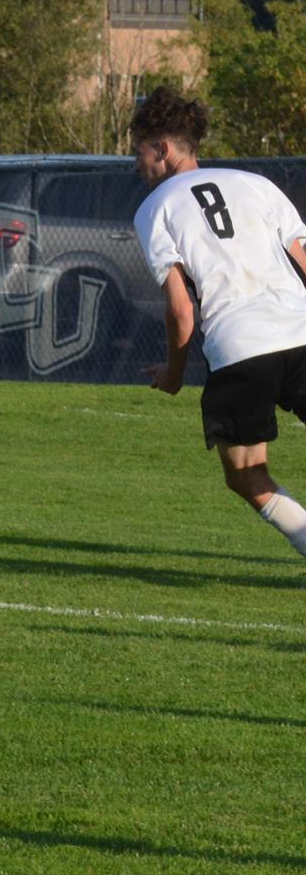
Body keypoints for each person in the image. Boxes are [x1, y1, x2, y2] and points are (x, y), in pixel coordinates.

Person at [132, 84, 306, 563]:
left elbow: (181, 309)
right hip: (302, 330)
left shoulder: (155, 207)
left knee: (246, 473)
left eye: (139, 152)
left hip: (240, 349)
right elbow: (303, 260)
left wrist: (173, 372)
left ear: (162, 149)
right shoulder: (258, 185)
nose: (136, 165)